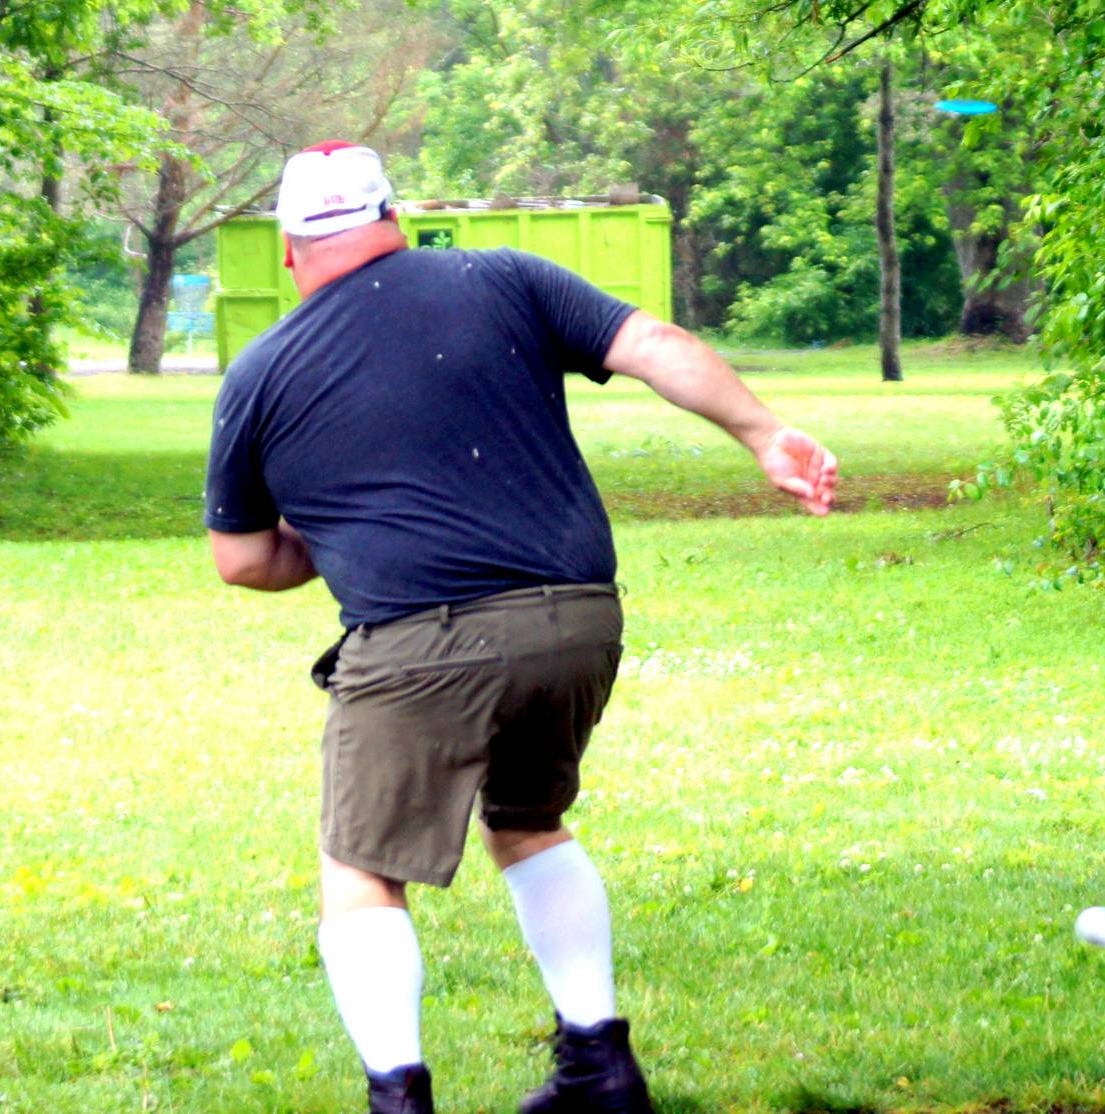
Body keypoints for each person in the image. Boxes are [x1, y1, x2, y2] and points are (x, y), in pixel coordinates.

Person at [203, 142, 840, 1114]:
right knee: (528, 821)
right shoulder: (503, 276)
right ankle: (599, 1069)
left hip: (420, 647)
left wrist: (346, 529)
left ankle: (399, 1101)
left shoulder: (261, 371)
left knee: (361, 869)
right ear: (395, 219)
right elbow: (654, 343)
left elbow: (244, 558)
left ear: (289, 250)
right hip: (577, 621)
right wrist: (764, 433)